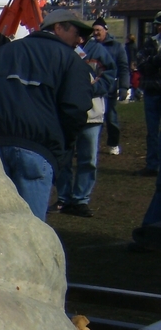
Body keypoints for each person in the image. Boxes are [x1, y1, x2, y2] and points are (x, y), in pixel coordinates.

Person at [0, 9, 93, 220]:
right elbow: (75, 110)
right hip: (38, 150)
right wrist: (62, 148)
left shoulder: (3, 53)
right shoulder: (71, 61)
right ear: (58, 28)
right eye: (77, 33)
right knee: (32, 227)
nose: (79, 40)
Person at [55, 32, 116, 217]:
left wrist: (88, 90)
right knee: (63, 158)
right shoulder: (60, 50)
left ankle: (81, 199)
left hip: (92, 114)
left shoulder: (97, 51)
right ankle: (64, 198)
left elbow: (109, 75)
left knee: (88, 159)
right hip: (66, 114)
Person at [90, 17, 129, 155]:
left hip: (110, 89)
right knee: (92, 120)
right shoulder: (89, 46)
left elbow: (123, 68)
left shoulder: (117, 47)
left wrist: (124, 87)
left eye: (98, 30)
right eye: (94, 30)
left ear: (105, 30)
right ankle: (92, 145)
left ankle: (113, 143)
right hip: (93, 89)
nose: (96, 33)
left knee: (111, 118)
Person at [135, 12, 161, 176]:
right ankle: (152, 165)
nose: (158, 27)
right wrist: (156, 60)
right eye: (157, 24)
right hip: (152, 91)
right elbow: (141, 65)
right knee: (152, 132)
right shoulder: (149, 43)